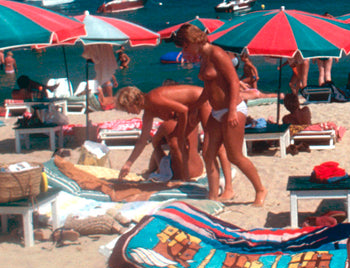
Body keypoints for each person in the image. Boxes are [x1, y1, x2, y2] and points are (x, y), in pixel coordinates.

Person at [175, 23, 266, 206]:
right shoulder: (204, 57)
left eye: (185, 46)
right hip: (217, 111)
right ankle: (213, 197)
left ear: (193, 40)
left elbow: (234, 82)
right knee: (208, 153)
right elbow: (209, 89)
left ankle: (260, 190)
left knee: (235, 156)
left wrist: (232, 110)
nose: (185, 51)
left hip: (233, 108)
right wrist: (195, 107)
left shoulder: (216, 53)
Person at [114, 83, 207, 183]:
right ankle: (186, 179)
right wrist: (128, 164)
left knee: (209, 144)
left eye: (126, 108)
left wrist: (181, 135)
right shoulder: (149, 112)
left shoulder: (152, 99)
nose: (128, 112)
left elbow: (184, 110)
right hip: (193, 107)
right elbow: (142, 140)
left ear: (131, 103)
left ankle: (187, 179)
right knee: (179, 144)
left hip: (203, 98)